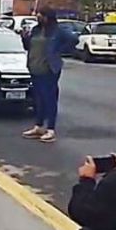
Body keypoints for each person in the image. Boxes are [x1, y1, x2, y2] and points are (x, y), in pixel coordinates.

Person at [21, 7, 78, 143]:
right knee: (38, 98)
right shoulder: (36, 30)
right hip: (34, 67)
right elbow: (28, 46)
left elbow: (73, 39)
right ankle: (39, 126)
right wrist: (24, 37)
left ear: (48, 17)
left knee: (49, 99)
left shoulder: (57, 31)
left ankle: (50, 129)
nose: (38, 17)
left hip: (49, 69)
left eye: (41, 15)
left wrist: (59, 51)